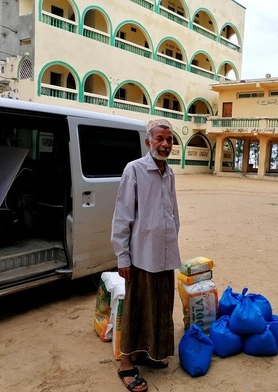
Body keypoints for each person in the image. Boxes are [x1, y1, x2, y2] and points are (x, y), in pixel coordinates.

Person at [111, 119, 181, 391]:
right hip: (141, 254)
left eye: (170, 140)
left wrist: (172, 236)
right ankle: (126, 363)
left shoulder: (170, 172)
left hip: (165, 253)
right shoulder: (135, 170)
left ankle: (146, 353)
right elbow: (122, 216)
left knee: (161, 306)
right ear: (148, 141)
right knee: (136, 308)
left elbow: (173, 212)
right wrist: (123, 257)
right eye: (160, 139)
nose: (165, 144)